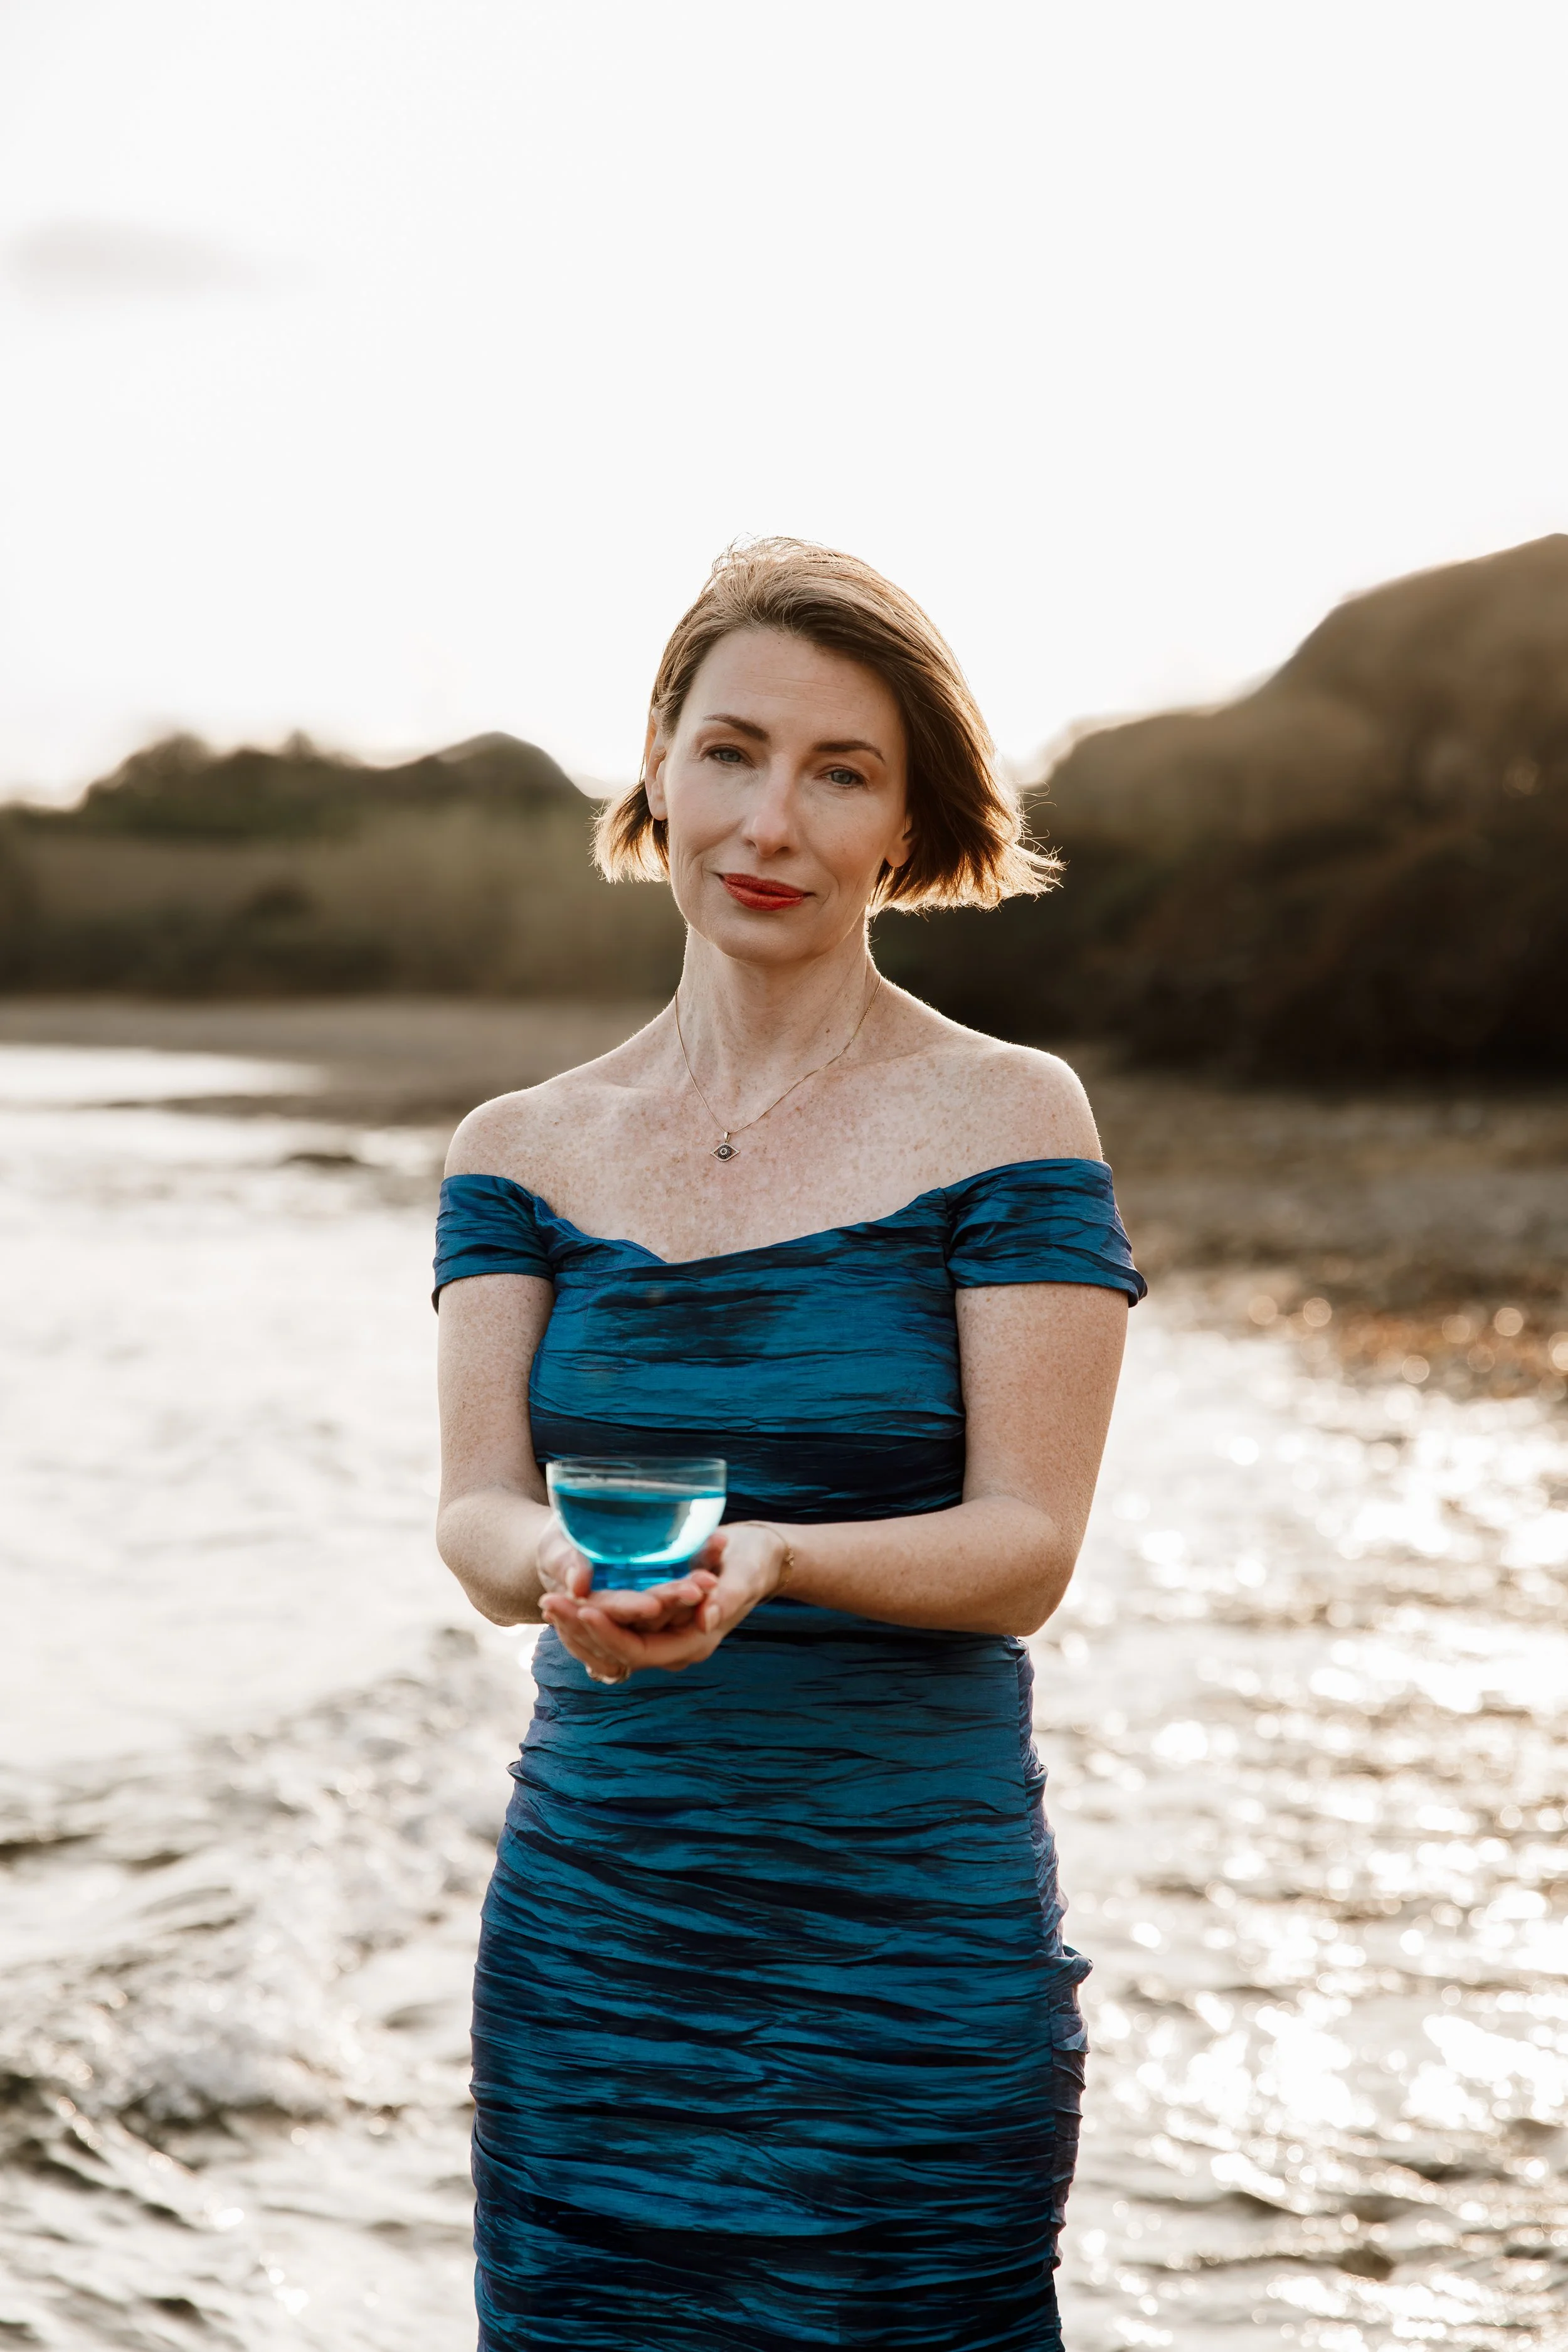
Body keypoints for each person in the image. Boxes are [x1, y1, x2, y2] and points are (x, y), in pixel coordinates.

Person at [433, 538, 1144, 2351]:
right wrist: (553, 1569)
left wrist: (786, 1557)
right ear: (656, 763)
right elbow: (473, 1512)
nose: (772, 820)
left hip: (908, 1950)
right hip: (597, 1943)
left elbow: (1024, 1547)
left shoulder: (1007, 1114)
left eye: (842, 772)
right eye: (733, 751)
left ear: (906, 825)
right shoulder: (519, 1147)